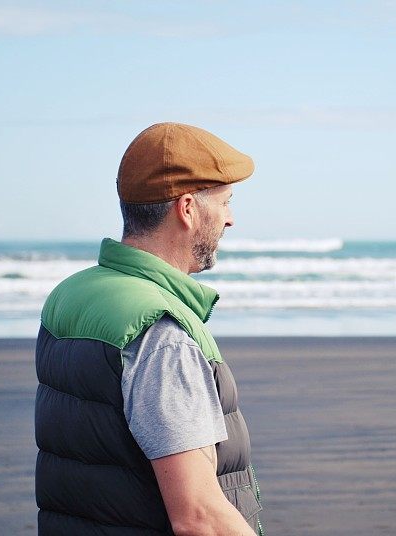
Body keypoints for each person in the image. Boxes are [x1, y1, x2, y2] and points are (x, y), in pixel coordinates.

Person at [34, 122, 264, 535]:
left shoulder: (72, 295)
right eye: (226, 202)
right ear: (188, 208)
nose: (231, 219)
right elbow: (199, 516)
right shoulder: (161, 334)